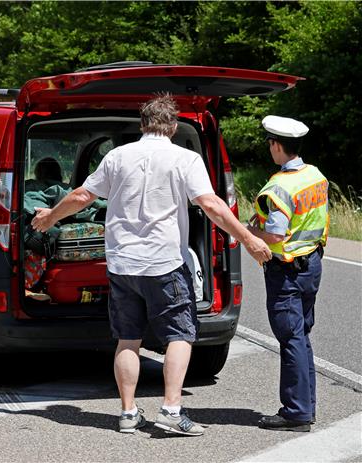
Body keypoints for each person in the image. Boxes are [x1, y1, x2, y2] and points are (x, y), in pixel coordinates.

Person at [31, 94, 272, 436]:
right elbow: (212, 206)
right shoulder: (185, 159)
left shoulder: (117, 157)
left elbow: (83, 196)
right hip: (163, 262)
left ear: (142, 125)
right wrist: (248, 239)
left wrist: (51, 217)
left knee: (127, 339)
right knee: (180, 334)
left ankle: (128, 414)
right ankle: (172, 410)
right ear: (173, 126)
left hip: (121, 264)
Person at [247, 115, 328, 432]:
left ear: (276, 145)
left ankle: (295, 413)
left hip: (287, 271)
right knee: (301, 337)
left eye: (270, 144)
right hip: (312, 265)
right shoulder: (315, 176)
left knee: (291, 339)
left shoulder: (278, 186)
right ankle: (306, 407)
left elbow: (277, 236)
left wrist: (248, 231)